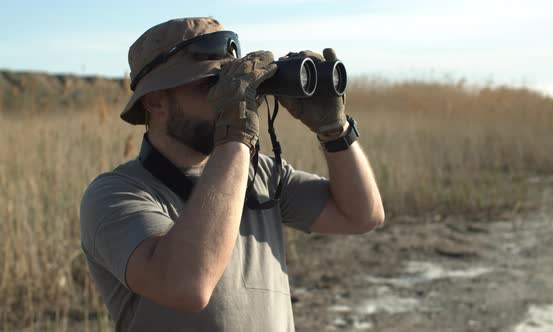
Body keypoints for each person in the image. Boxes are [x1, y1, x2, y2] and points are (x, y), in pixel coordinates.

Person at [80, 17, 384, 331]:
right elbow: (187, 284)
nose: (224, 101)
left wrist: (335, 131)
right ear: (155, 99)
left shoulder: (259, 173)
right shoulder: (116, 194)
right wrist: (237, 131)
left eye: (232, 87)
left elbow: (362, 215)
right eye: (211, 86)